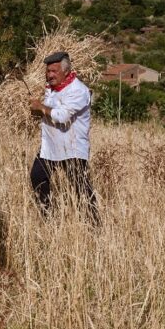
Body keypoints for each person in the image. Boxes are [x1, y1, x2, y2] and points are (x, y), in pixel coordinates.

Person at [29, 51, 101, 226]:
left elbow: (62, 116)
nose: (50, 75)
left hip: (72, 148)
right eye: (48, 71)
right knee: (37, 176)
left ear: (66, 71)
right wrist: (36, 110)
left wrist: (40, 107)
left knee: (81, 189)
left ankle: (94, 226)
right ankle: (49, 218)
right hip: (50, 147)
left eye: (54, 71)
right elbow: (47, 112)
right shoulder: (51, 89)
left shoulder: (79, 90)